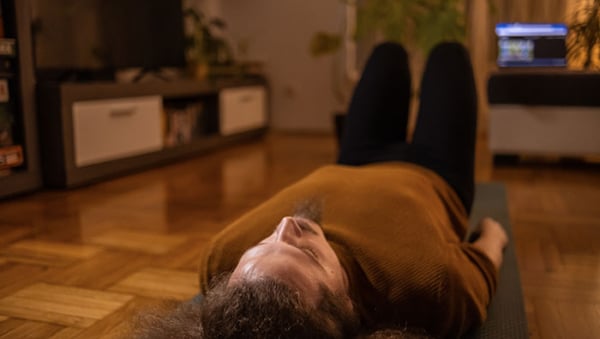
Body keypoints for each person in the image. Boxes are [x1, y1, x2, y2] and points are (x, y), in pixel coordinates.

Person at [131, 42, 508, 339]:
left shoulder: (222, 259)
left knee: (387, 56)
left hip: (355, 158)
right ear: (345, 303)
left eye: (264, 244)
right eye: (308, 254)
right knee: (450, 56)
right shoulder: (428, 288)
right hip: (436, 174)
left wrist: (290, 253)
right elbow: (484, 263)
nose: (286, 225)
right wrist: (493, 232)